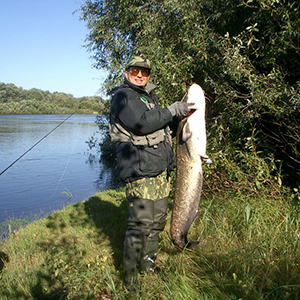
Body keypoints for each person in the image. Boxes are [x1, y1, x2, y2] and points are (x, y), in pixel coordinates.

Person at [109, 55, 191, 288]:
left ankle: (149, 266)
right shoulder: (123, 97)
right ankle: (130, 278)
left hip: (160, 170)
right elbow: (142, 123)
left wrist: (180, 117)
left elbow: (162, 126)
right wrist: (173, 109)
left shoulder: (149, 98)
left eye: (144, 72)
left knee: (157, 223)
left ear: (148, 76)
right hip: (140, 170)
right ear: (127, 73)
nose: (140, 75)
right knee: (141, 224)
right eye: (135, 71)